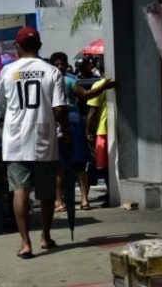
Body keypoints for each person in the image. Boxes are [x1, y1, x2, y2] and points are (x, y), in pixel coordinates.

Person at [0, 27, 69, 259]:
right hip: (43, 139)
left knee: (20, 191)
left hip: (16, 140)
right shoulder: (52, 71)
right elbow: (59, 109)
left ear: (17, 47)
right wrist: (65, 131)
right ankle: (45, 237)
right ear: (39, 45)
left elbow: (0, 104)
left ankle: (25, 243)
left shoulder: (7, 71)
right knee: (46, 194)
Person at [48, 52, 115, 211]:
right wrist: (103, 86)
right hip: (65, 126)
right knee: (64, 167)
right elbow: (85, 95)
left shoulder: (64, 82)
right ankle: (63, 201)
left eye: (62, 63)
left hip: (66, 126)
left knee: (74, 165)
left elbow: (85, 95)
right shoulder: (66, 81)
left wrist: (102, 86)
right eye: (57, 64)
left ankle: (79, 200)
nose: (60, 66)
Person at [87, 77, 111, 207]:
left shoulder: (99, 84)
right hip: (109, 128)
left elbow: (92, 111)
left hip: (102, 130)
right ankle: (110, 192)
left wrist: (89, 132)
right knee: (105, 165)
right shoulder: (106, 84)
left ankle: (110, 194)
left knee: (104, 165)